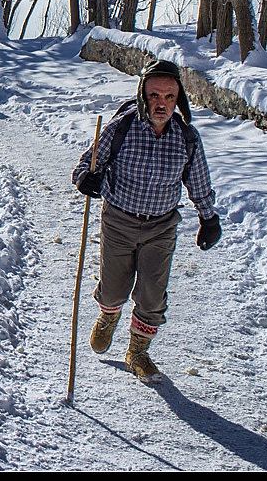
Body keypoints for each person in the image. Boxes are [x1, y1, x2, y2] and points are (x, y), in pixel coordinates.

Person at [72, 59, 221, 383]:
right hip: (119, 221)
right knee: (113, 290)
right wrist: (86, 178)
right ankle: (109, 315)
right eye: (154, 95)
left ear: (179, 99)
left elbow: (198, 181)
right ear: (143, 95)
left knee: (153, 295)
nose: (162, 104)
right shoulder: (122, 127)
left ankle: (137, 352)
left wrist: (208, 219)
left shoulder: (186, 137)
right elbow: (87, 163)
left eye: (169, 96)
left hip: (161, 227)